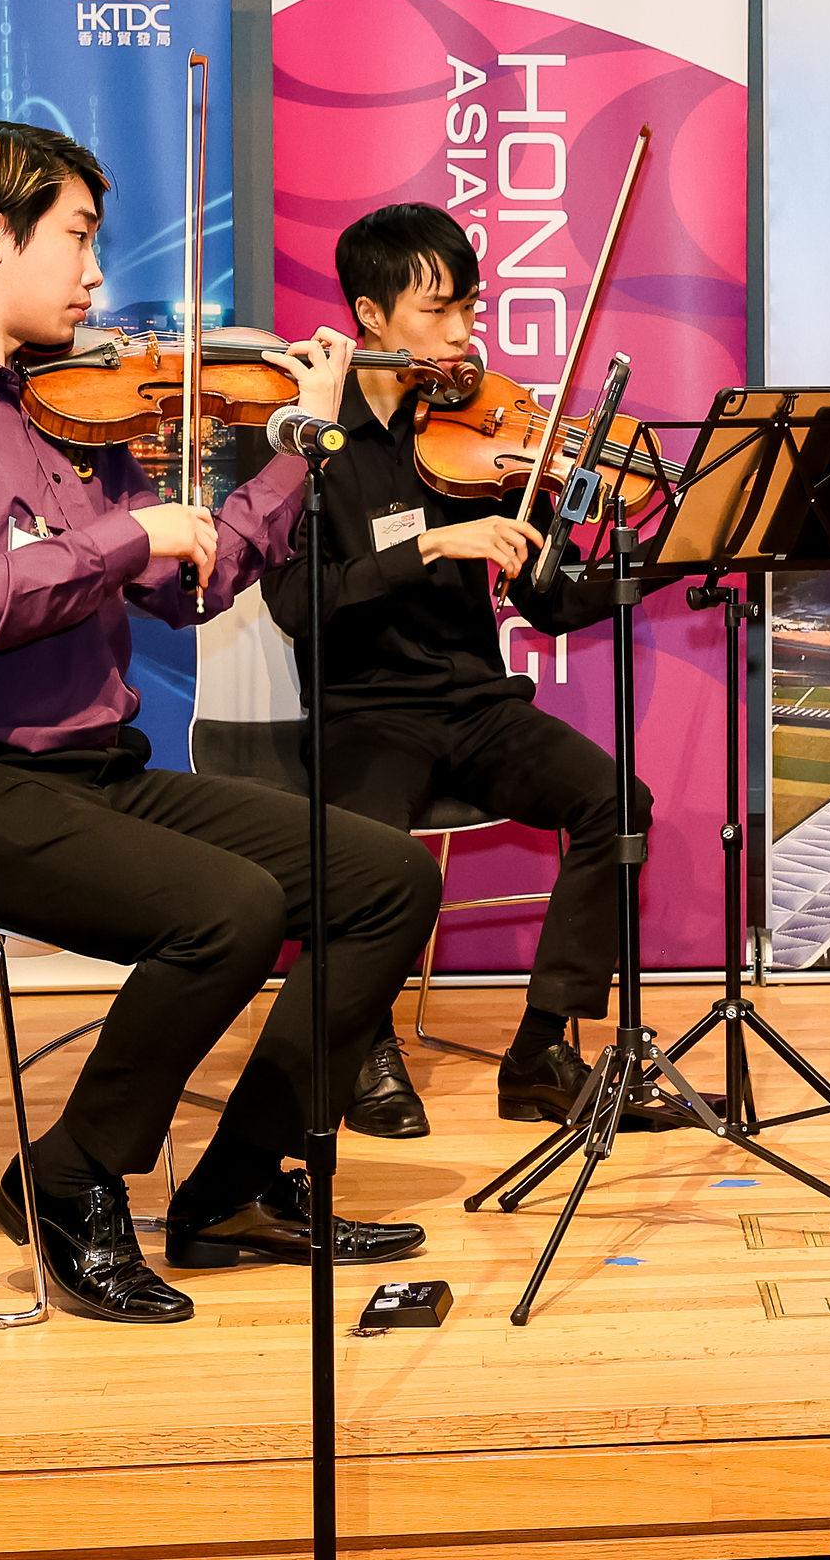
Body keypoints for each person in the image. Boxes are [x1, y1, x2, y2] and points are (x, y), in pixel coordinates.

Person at [0, 121, 446, 1324]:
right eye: (80, 237)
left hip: (92, 774)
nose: (98, 276)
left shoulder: (66, 414)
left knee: (382, 877)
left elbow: (189, 581)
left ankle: (237, 1191)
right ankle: (68, 1178)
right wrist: (122, 533)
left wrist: (305, 444)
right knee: (231, 910)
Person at [261, 202, 683, 1137]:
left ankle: (540, 1051)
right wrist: (431, 545)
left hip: (477, 704)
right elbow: (297, 605)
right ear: (369, 317)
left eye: (469, 309)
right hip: (362, 712)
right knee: (366, 857)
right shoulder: (310, 442)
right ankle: (363, 1043)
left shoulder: (478, 431)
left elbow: (547, 605)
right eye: (437, 312)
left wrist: (654, 558)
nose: (462, 335)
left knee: (619, 803)